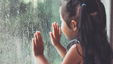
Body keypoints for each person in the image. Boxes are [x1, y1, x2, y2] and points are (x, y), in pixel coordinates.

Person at [32, 0, 112, 64]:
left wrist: (39, 55)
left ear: (74, 25)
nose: (61, 24)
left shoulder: (78, 49)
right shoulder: (97, 45)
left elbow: (73, 58)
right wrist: (58, 45)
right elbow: (73, 60)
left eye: (62, 21)